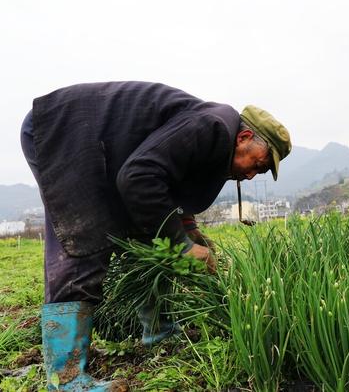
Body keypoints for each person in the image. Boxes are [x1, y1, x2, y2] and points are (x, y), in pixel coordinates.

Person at [20, 81, 291, 391]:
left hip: (99, 147)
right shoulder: (212, 127)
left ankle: (159, 333)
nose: (252, 174)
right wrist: (181, 245)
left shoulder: (215, 137)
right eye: (258, 164)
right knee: (84, 241)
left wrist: (189, 232)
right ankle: (65, 379)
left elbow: (167, 182)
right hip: (66, 132)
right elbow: (140, 176)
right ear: (244, 138)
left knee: (148, 240)